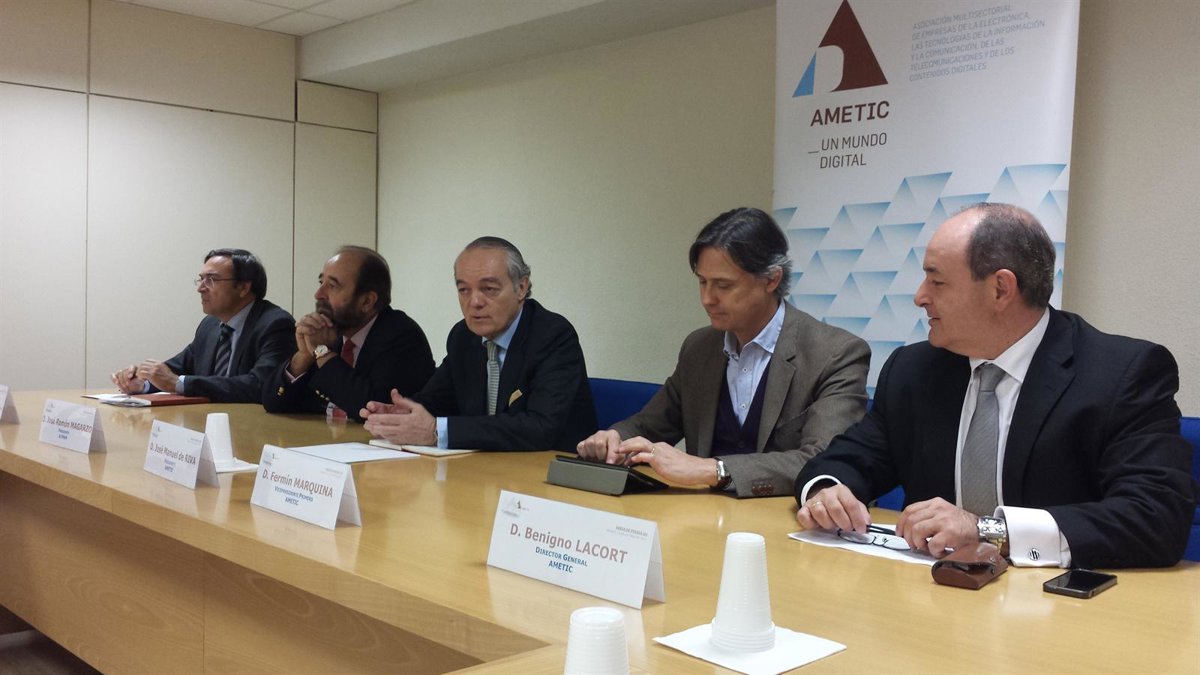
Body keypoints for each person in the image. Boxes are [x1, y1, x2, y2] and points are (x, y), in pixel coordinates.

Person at [795, 203, 1195, 569]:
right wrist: (827, 491)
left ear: (1001, 289)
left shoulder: (1120, 374)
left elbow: (1156, 517)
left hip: (1056, 604)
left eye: (937, 282)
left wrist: (990, 531)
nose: (920, 297)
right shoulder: (914, 370)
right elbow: (847, 460)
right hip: (932, 594)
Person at [576, 208, 870, 497]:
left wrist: (714, 470)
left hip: (787, 518)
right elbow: (650, 425)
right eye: (702, 282)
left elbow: (824, 461)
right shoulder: (699, 348)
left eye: (724, 285)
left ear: (771, 279)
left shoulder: (836, 354)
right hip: (704, 515)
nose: (707, 299)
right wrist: (615, 439)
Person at [361, 237, 596, 450]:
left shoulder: (552, 336)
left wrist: (435, 432)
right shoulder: (463, 336)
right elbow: (438, 399)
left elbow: (540, 427)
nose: (474, 302)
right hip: (484, 466)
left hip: (547, 471)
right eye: (464, 290)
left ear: (521, 287)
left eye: (489, 289)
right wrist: (400, 415)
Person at [263, 246, 434, 421]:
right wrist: (304, 355)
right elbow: (273, 402)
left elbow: (370, 408)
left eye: (332, 286)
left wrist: (322, 351)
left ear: (366, 301)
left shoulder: (402, 336)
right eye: (321, 283)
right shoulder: (331, 334)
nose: (318, 294)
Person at [111, 248, 294, 403]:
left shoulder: (275, 324)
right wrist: (143, 382)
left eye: (211, 280)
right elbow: (177, 368)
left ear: (243, 287)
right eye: (201, 279)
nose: (200, 288)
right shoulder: (210, 325)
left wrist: (177, 383)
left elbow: (261, 385)